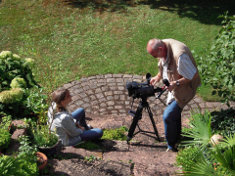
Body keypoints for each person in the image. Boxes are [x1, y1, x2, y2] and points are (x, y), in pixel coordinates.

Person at [146, 38, 201, 152]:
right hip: (174, 85)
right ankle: (177, 138)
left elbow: (193, 75)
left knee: (168, 116)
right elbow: (164, 63)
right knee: (174, 114)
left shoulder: (179, 55)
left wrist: (175, 83)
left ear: (160, 49)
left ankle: (171, 146)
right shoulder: (163, 46)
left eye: (155, 55)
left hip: (185, 89)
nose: (156, 58)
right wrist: (158, 76)